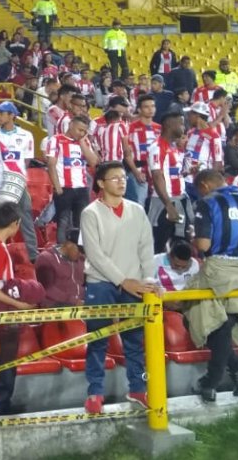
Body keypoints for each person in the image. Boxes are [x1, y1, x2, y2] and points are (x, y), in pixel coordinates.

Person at [81, 161, 159, 414]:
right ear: (101, 183)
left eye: (124, 177)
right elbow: (95, 255)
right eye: (115, 178)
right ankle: (94, 393)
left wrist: (149, 279)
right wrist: (123, 280)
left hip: (135, 285)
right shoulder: (90, 213)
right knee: (98, 339)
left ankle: (137, 388)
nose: (122, 181)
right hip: (101, 283)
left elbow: (146, 249)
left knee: (135, 339)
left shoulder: (137, 210)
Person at [187, 169, 238, 402]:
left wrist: (193, 238)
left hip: (218, 269)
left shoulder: (208, 202)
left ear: (205, 185)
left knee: (194, 313)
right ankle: (235, 366)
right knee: (225, 322)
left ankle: (212, 381)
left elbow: (203, 243)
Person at [0, 201, 38, 414]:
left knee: (5, 365)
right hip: (2, 315)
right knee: (0, 366)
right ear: (15, 224)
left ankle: (0, 405)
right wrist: (19, 304)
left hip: (5, 314)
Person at [0, 101, 39, 261]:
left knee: (25, 217)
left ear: (12, 115)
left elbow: (27, 160)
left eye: (1, 113)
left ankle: (33, 255)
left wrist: (16, 175)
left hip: (18, 184)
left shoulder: (26, 135)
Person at [45, 114, 99, 244]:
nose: (81, 133)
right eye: (79, 130)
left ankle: (78, 251)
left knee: (81, 222)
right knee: (63, 222)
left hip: (81, 188)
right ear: (70, 125)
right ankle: (61, 252)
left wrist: (82, 143)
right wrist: (57, 187)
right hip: (64, 187)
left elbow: (93, 162)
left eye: (84, 131)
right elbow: (51, 164)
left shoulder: (84, 142)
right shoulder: (56, 140)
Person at [146, 111, 191, 253]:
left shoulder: (172, 147)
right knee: (158, 243)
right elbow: (157, 176)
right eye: (181, 123)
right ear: (169, 124)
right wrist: (168, 205)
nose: (184, 127)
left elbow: (171, 173)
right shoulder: (157, 147)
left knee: (181, 241)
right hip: (163, 202)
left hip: (179, 199)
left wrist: (188, 171)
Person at [34, 228, 86, 308]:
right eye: (79, 250)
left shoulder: (81, 259)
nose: (80, 254)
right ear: (68, 244)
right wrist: (74, 301)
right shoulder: (46, 258)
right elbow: (47, 289)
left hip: (81, 305)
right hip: (57, 307)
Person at [124, 94, 159, 205]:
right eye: (146, 107)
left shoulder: (160, 128)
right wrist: (135, 171)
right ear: (139, 109)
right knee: (138, 204)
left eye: (153, 106)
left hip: (155, 170)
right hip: (137, 169)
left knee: (155, 203)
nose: (150, 109)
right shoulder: (130, 128)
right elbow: (127, 153)